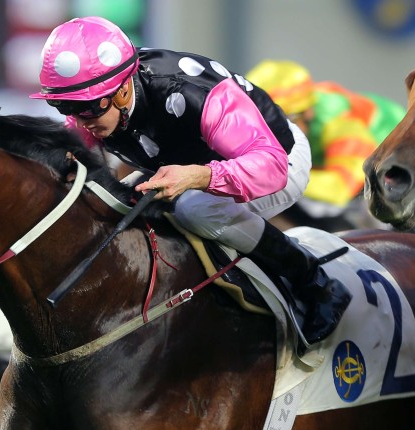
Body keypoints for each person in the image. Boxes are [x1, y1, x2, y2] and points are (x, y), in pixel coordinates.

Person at [30, 16, 351, 348]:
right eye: (63, 106)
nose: (79, 119)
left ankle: (314, 282)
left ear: (123, 88)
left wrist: (198, 175)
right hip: (190, 160)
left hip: (276, 158)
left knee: (195, 209)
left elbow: (271, 167)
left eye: (86, 107)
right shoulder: (96, 103)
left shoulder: (192, 92)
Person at [245, 60, 405, 226]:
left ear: (307, 113)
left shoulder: (337, 121)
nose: (268, 135)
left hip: (398, 160)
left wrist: (269, 177)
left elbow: (339, 189)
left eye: (278, 123)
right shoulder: (301, 111)